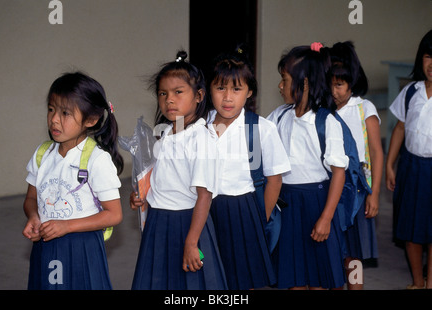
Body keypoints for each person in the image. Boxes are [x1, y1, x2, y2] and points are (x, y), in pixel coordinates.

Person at [130, 51, 227, 290]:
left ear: (198, 96)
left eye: (178, 92)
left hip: (188, 223)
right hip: (158, 221)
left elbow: (204, 195)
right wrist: (143, 196)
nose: (169, 100)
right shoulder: (165, 133)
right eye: (163, 93)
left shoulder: (201, 139)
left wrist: (192, 242)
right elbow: (164, 176)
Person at [22, 71, 124, 290]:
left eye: (65, 113)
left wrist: (67, 226)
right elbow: (31, 198)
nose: (54, 119)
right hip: (46, 244)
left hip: (83, 248)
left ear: (91, 120)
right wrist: (33, 216)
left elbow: (114, 214)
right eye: (51, 109)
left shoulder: (97, 160)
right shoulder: (42, 155)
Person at [206, 45, 291, 290]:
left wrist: (259, 220)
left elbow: (274, 180)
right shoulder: (200, 126)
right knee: (210, 275)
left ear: (250, 92)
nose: (228, 97)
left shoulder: (260, 128)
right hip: (206, 209)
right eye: (220, 87)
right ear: (208, 90)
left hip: (244, 210)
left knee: (244, 279)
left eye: (236, 89)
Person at [267, 43, 348, 290]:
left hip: (317, 204)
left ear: (303, 83)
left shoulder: (326, 122)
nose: (280, 85)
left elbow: (338, 174)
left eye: (285, 79)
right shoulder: (280, 116)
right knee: (293, 277)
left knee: (318, 278)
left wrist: (326, 218)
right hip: (287, 205)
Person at [328, 41, 383, 289]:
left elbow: (376, 152)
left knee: (354, 253)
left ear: (352, 82)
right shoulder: (324, 111)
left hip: (358, 188)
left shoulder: (364, 108)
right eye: (330, 84)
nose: (334, 91)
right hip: (330, 185)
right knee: (333, 250)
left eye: (339, 85)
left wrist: (374, 194)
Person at [386, 29, 432, 290]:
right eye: (428, 56)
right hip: (411, 167)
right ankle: (417, 281)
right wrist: (391, 165)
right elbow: (400, 128)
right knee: (410, 226)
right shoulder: (411, 92)